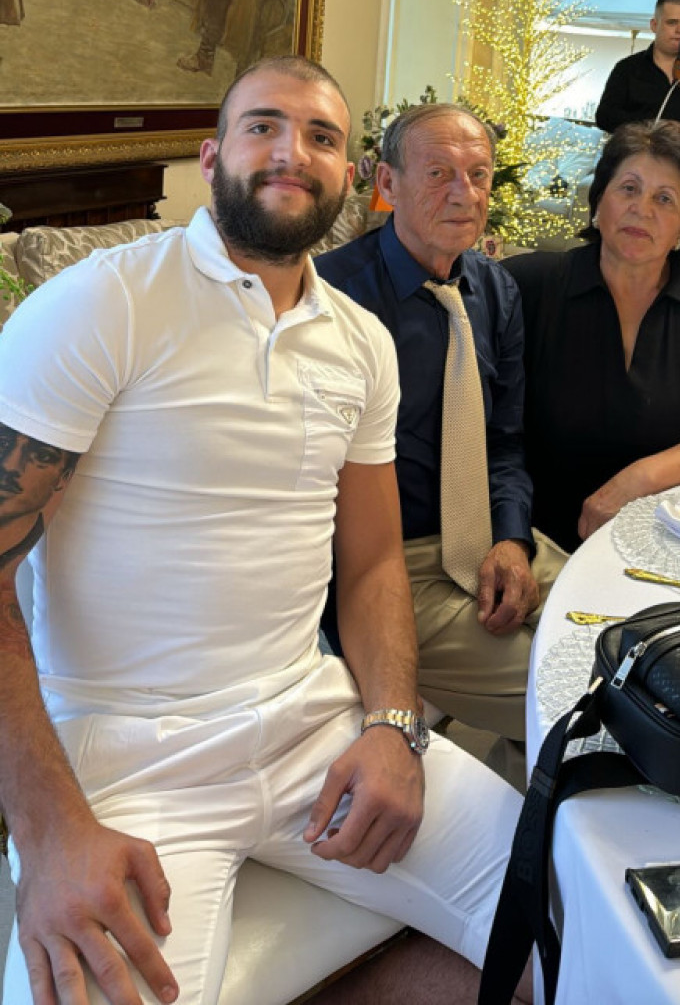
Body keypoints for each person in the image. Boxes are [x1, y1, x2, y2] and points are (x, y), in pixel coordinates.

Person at [0, 57, 525, 1005]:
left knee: (577, 918)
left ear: (351, 177)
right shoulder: (105, 304)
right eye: (262, 126)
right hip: (128, 753)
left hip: (309, 720)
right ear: (213, 158)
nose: (292, 151)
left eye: (321, 136)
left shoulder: (361, 342)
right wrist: (47, 833)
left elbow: (372, 562)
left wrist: (393, 726)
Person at [317, 103, 565, 741]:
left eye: (478, 175)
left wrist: (511, 539)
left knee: (625, 628)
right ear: (388, 183)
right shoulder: (331, 297)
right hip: (387, 561)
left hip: (487, 535)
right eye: (438, 174)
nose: (465, 194)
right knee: (565, 689)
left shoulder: (495, 290)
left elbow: (504, 443)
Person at [506, 121, 680, 554]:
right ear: (599, 202)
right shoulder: (529, 286)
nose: (642, 209)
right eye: (629, 189)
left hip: (676, 532)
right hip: (546, 535)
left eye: (664, 198)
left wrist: (635, 481)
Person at [595, 0, 680, 132]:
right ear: (654, 25)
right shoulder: (627, 68)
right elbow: (605, 117)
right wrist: (653, 125)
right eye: (672, 22)